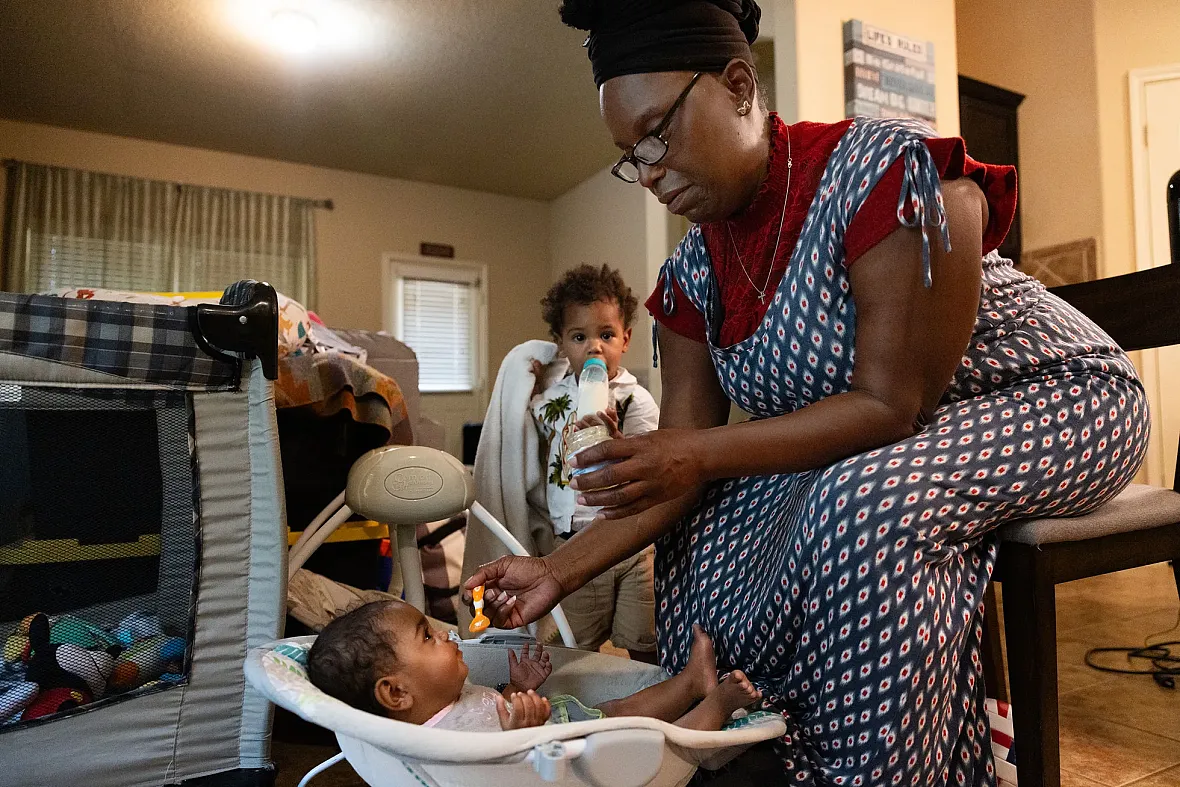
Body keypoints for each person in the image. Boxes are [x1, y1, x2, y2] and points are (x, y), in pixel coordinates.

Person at [465, 0, 1150, 782]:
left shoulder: (872, 172)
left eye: (657, 133)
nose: (649, 171)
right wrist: (559, 569)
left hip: (1056, 395)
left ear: (737, 83)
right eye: (630, 154)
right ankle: (762, 759)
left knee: (863, 504)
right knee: (709, 532)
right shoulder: (691, 277)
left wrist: (692, 453)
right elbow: (682, 473)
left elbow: (891, 406)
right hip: (902, 433)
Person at [306, 599, 761, 732]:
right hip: (575, 753)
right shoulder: (443, 741)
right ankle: (716, 707)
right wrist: (523, 731)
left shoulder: (438, 703)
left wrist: (513, 691)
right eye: (428, 636)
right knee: (652, 735)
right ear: (396, 693)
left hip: (566, 721)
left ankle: (690, 681)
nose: (446, 633)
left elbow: (486, 710)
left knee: (626, 706)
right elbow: (499, 770)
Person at [531, 264, 660, 662]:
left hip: (631, 536)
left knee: (645, 636)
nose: (594, 347)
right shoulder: (553, 399)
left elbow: (651, 458)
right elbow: (536, 426)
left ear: (626, 339)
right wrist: (534, 384)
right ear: (561, 344)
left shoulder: (635, 399)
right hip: (575, 538)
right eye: (579, 337)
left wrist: (618, 438)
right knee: (573, 640)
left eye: (606, 335)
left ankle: (649, 689)